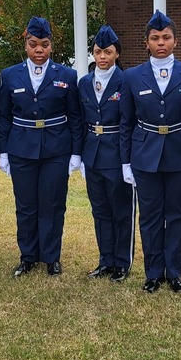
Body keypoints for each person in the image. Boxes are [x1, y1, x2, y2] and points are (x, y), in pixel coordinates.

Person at [119, 9, 181, 293]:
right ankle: (153, 273)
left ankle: (175, 273)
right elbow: (126, 122)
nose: (161, 43)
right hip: (145, 156)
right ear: (146, 42)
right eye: (155, 38)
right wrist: (125, 162)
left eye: (166, 37)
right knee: (151, 216)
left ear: (175, 41)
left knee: (179, 215)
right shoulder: (131, 76)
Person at [0, 16, 83, 276]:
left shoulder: (67, 75)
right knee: (25, 205)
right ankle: (28, 256)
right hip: (21, 149)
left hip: (56, 150)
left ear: (51, 46)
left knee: (53, 204)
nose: (39, 50)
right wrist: (3, 152)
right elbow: (3, 116)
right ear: (25, 45)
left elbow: (76, 117)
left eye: (44, 45)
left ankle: (51, 257)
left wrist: (76, 153)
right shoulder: (10, 75)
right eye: (33, 44)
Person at [78, 24, 135, 282]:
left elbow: (130, 122)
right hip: (92, 153)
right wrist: (79, 155)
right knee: (99, 209)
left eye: (108, 52)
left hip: (117, 152)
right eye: (98, 51)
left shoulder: (127, 81)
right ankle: (105, 260)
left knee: (121, 210)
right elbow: (79, 121)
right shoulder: (84, 83)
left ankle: (122, 262)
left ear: (117, 55)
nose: (102, 57)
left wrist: (128, 160)